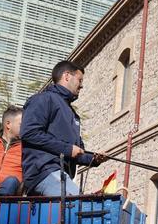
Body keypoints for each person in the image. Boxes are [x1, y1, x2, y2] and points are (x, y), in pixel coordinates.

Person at [20, 60, 106, 196]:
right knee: (80, 205)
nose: (81, 86)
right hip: (43, 171)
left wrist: (93, 159)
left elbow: (76, 153)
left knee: (77, 207)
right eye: (80, 80)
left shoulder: (73, 114)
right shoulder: (43, 99)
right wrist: (68, 149)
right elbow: (29, 133)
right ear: (67, 76)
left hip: (61, 174)